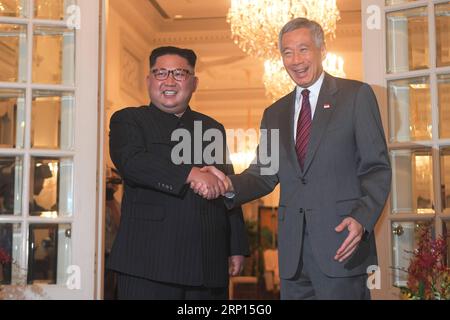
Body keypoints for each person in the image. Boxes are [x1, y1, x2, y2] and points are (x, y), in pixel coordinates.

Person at [193, 18, 392, 300]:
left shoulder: (355, 96)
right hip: (293, 258)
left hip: (341, 246)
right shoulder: (274, 112)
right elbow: (263, 173)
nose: (296, 60)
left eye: (303, 49)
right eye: (287, 52)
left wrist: (362, 219)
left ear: (322, 50)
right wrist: (227, 184)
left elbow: (377, 168)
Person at [108, 46, 249, 300]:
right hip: (148, 263)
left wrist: (236, 246)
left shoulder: (212, 128)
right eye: (160, 73)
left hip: (209, 262)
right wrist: (191, 174)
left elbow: (227, 186)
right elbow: (132, 161)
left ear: (194, 83)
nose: (169, 81)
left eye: (180, 74)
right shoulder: (128, 120)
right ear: (149, 80)